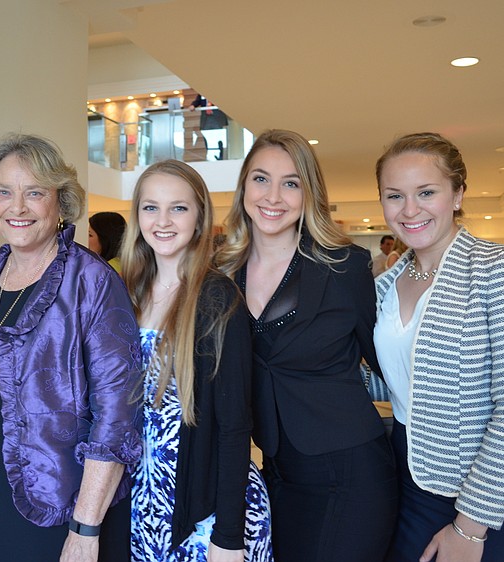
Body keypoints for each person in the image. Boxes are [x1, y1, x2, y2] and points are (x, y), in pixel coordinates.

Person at [215, 129, 397, 562]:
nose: (273, 195)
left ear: (308, 193)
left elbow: (387, 362)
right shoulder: (221, 274)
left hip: (352, 470)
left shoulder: (344, 266)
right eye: (261, 179)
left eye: (290, 183)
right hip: (275, 471)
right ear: (244, 188)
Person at [0, 134, 141, 562]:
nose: (17, 207)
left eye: (34, 193)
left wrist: (86, 527)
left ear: (61, 202)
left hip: (63, 512)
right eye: (4, 192)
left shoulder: (92, 282)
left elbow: (118, 415)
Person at [373, 132, 504, 562]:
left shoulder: (503, 270)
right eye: (394, 195)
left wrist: (469, 527)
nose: (410, 209)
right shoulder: (383, 286)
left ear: (457, 194)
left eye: (427, 192)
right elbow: (404, 384)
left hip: (480, 498)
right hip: (403, 478)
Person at [123, 159, 272, 561]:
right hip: (143, 503)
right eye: (151, 207)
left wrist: (228, 535)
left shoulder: (217, 298)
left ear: (200, 216)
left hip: (206, 512)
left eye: (179, 207)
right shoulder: (127, 294)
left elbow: (234, 427)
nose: (163, 220)